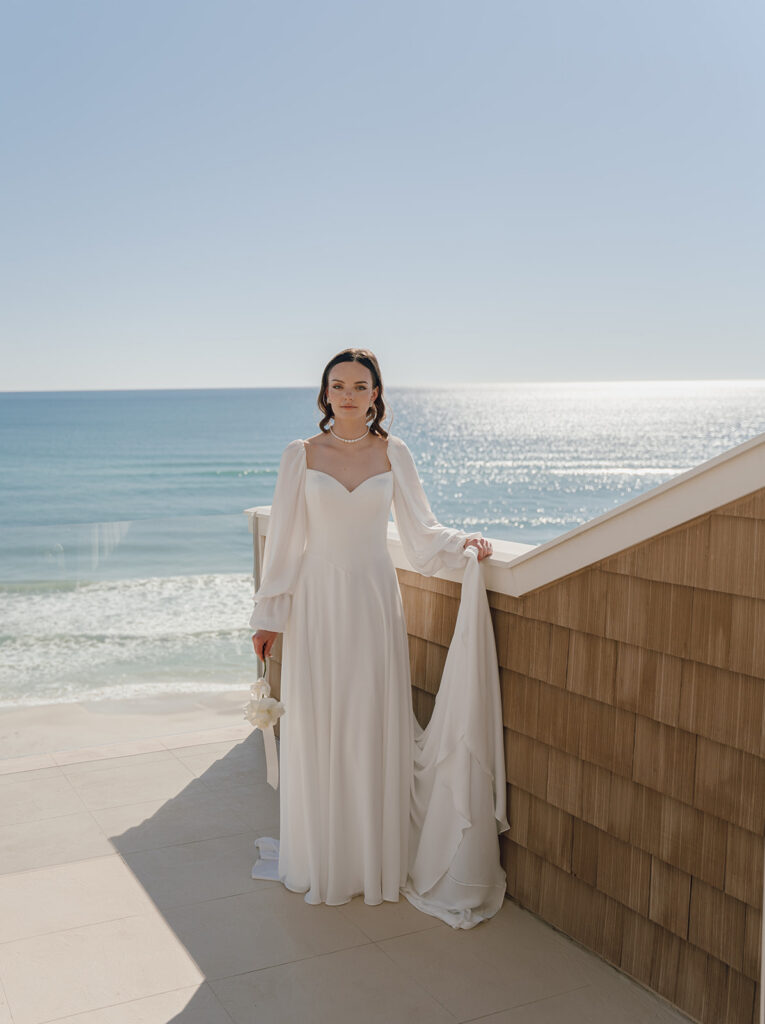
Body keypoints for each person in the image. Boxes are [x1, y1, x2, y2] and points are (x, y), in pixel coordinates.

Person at [249, 348, 509, 928]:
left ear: (375, 395)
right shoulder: (301, 455)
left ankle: (371, 859)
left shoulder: (394, 453)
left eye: (359, 386)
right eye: (337, 385)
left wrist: (463, 542)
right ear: (324, 395)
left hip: (371, 600)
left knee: (369, 719)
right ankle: (326, 855)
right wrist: (270, 617)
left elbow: (420, 531)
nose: (347, 394)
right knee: (322, 719)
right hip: (317, 603)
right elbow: (285, 542)